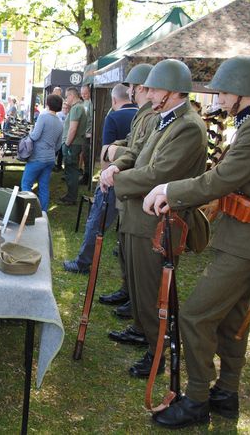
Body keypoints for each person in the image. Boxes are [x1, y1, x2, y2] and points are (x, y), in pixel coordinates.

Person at [141, 56, 250, 429]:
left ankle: (198, 398)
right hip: (246, 237)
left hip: (249, 240)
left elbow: (219, 180)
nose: (217, 96)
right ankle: (226, 393)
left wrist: (170, 189)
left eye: (221, 90)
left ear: (241, 91)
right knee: (232, 320)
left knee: (196, 314)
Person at [100, 59, 207, 379]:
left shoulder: (187, 125)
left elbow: (160, 174)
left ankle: (158, 351)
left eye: (156, 88)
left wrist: (118, 182)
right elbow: (138, 151)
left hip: (157, 223)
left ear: (173, 92)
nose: (149, 92)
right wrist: (117, 166)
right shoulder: (164, 119)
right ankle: (150, 340)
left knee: (153, 294)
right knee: (139, 287)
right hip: (139, 216)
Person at [98, 65, 157, 318]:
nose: (130, 91)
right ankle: (128, 292)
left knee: (141, 264)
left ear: (140, 87)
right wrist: (115, 149)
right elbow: (132, 143)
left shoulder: (153, 115)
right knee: (125, 252)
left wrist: (114, 153)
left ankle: (138, 304)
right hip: (131, 193)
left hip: (141, 195)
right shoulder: (144, 113)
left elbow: (142, 153)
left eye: (132, 86)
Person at [63, 83, 138, 274]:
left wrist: (103, 180)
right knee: (129, 225)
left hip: (114, 177)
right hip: (136, 179)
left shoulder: (114, 116)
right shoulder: (141, 116)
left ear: (113, 100)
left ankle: (83, 263)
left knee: (96, 221)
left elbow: (106, 152)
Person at [20, 93, 64, 211]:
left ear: (48, 104)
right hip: (50, 159)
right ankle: (43, 214)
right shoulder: (60, 123)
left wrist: (30, 132)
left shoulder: (43, 117)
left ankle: (28, 211)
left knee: (26, 184)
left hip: (37, 157)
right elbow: (58, 145)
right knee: (44, 187)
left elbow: (34, 136)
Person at [60, 87, 88, 205]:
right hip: (74, 144)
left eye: (67, 96)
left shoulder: (77, 108)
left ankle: (71, 198)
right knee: (71, 170)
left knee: (71, 171)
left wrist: (66, 144)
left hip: (72, 144)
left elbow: (73, 129)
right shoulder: (78, 107)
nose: (66, 100)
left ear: (72, 95)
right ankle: (70, 195)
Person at [80, 84, 93, 184]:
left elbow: (92, 119)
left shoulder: (91, 103)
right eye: (82, 93)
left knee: (87, 155)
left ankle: (87, 177)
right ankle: (85, 174)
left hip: (88, 134)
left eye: (86, 93)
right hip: (83, 133)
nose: (84, 95)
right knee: (84, 155)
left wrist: (90, 132)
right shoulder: (84, 102)